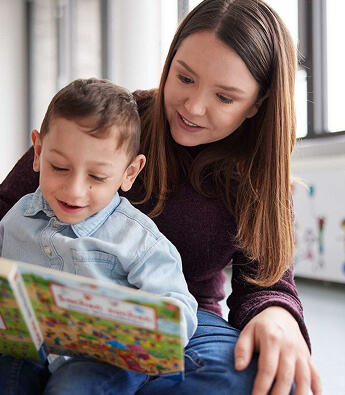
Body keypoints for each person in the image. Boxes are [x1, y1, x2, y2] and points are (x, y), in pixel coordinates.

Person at [0, 0, 323, 394]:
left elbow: (266, 284)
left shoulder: (258, 175)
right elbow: (9, 205)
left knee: (263, 378)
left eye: (225, 98)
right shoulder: (112, 125)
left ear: (257, 103)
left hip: (181, 320)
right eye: (184, 78)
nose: (194, 106)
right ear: (169, 62)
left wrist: (276, 314)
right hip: (59, 308)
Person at [0, 78, 198, 394]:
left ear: (129, 173)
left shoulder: (138, 240)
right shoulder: (16, 217)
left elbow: (179, 311)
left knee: (72, 388)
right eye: (59, 167)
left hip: (102, 360)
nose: (74, 190)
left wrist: (133, 326)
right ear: (38, 152)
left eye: (97, 177)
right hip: (26, 348)